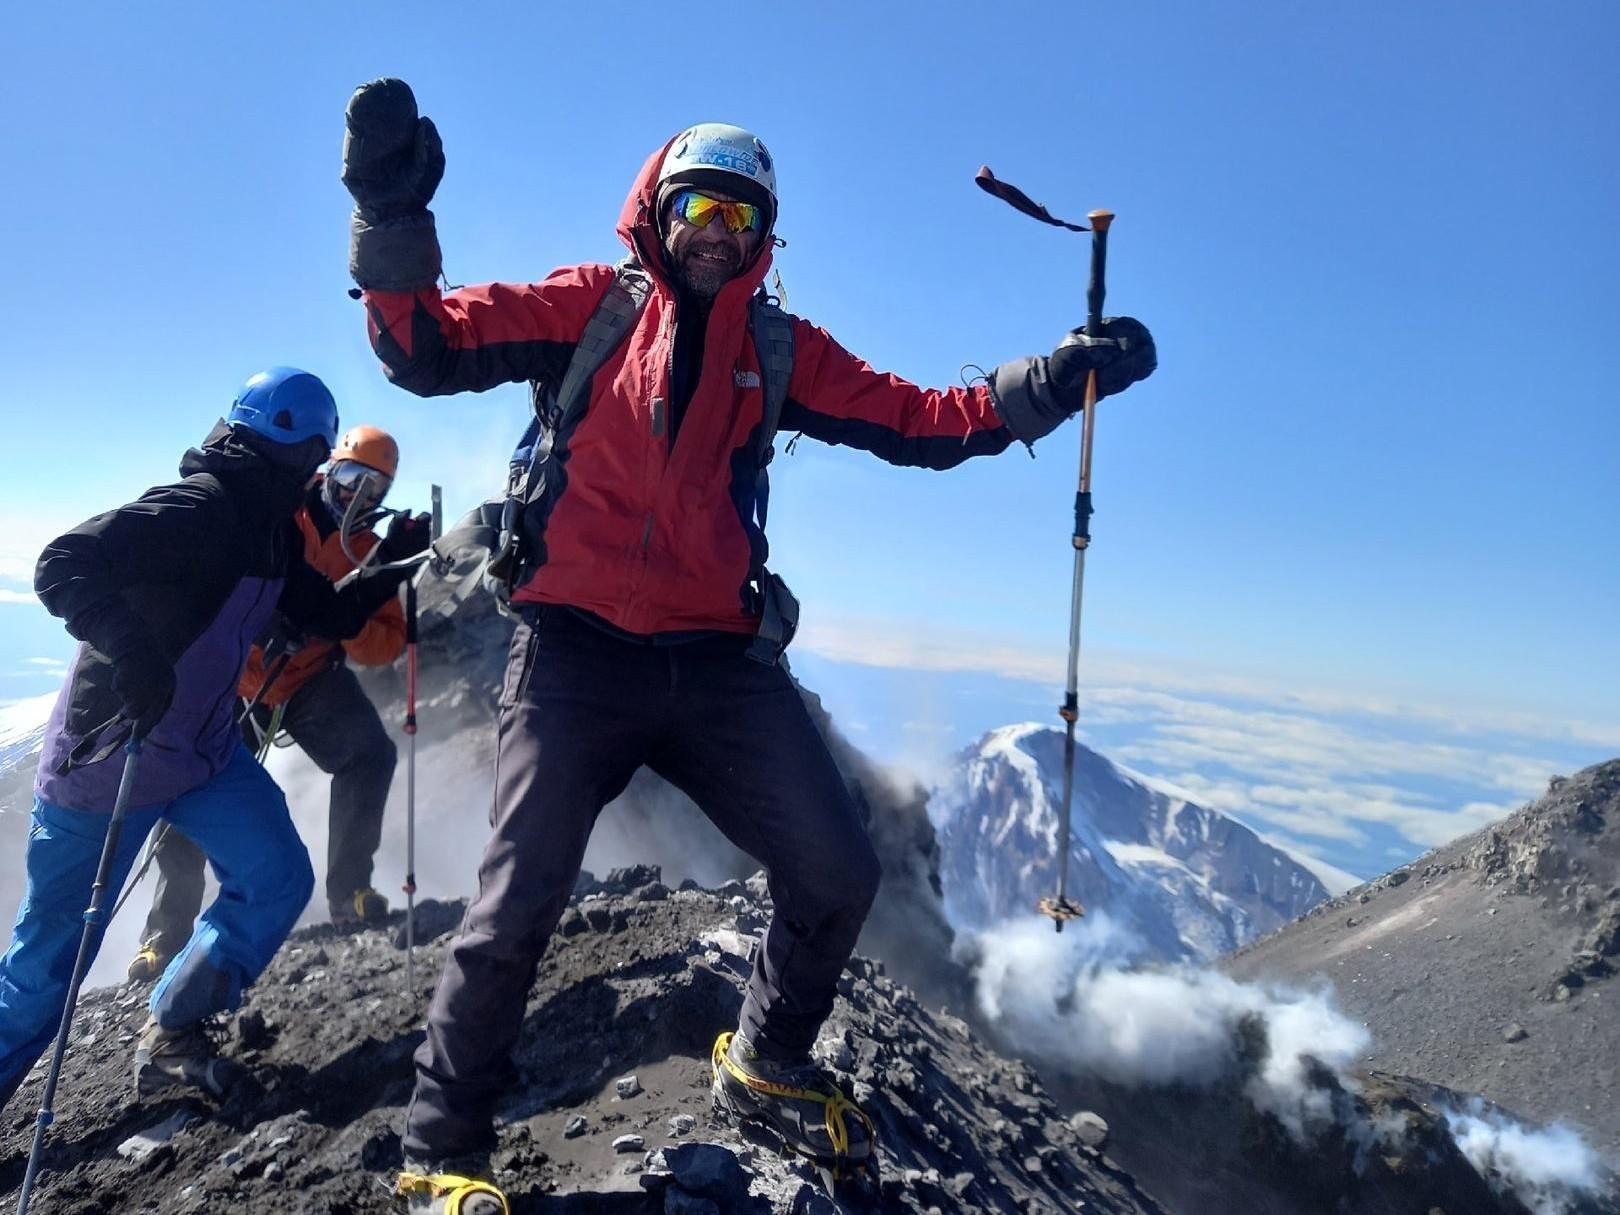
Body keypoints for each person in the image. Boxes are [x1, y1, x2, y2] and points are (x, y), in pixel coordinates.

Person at [342, 79, 1155, 1208]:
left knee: (836, 870)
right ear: (655, 215)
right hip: (575, 653)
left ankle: (765, 1059)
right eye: (696, 211)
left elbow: (920, 419)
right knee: (517, 900)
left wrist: (1057, 381)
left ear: (766, 238)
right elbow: (423, 347)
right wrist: (388, 220)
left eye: (738, 219)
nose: (714, 236)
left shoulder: (779, 350)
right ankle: (440, 1152)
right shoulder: (590, 308)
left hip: (716, 663)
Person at [0, 370, 429, 1112]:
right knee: (46, 971)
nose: (328, 480)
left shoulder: (270, 528)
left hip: (200, 754)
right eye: (325, 463)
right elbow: (62, 562)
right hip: (112, 760)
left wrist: (392, 563)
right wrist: (131, 651)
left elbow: (317, 613)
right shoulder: (199, 508)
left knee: (276, 878)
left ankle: (173, 1034)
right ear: (304, 454)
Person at [126, 424, 423, 984]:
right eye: (352, 478)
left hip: (310, 678)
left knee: (369, 754)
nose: (358, 496)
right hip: (238, 678)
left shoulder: (370, 551)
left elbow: (383, 645)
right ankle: (165, 937)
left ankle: (349, 891)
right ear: (330, 470)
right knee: (189, 785)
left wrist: (361, 603)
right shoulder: (287, 513)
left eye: (374, 489)